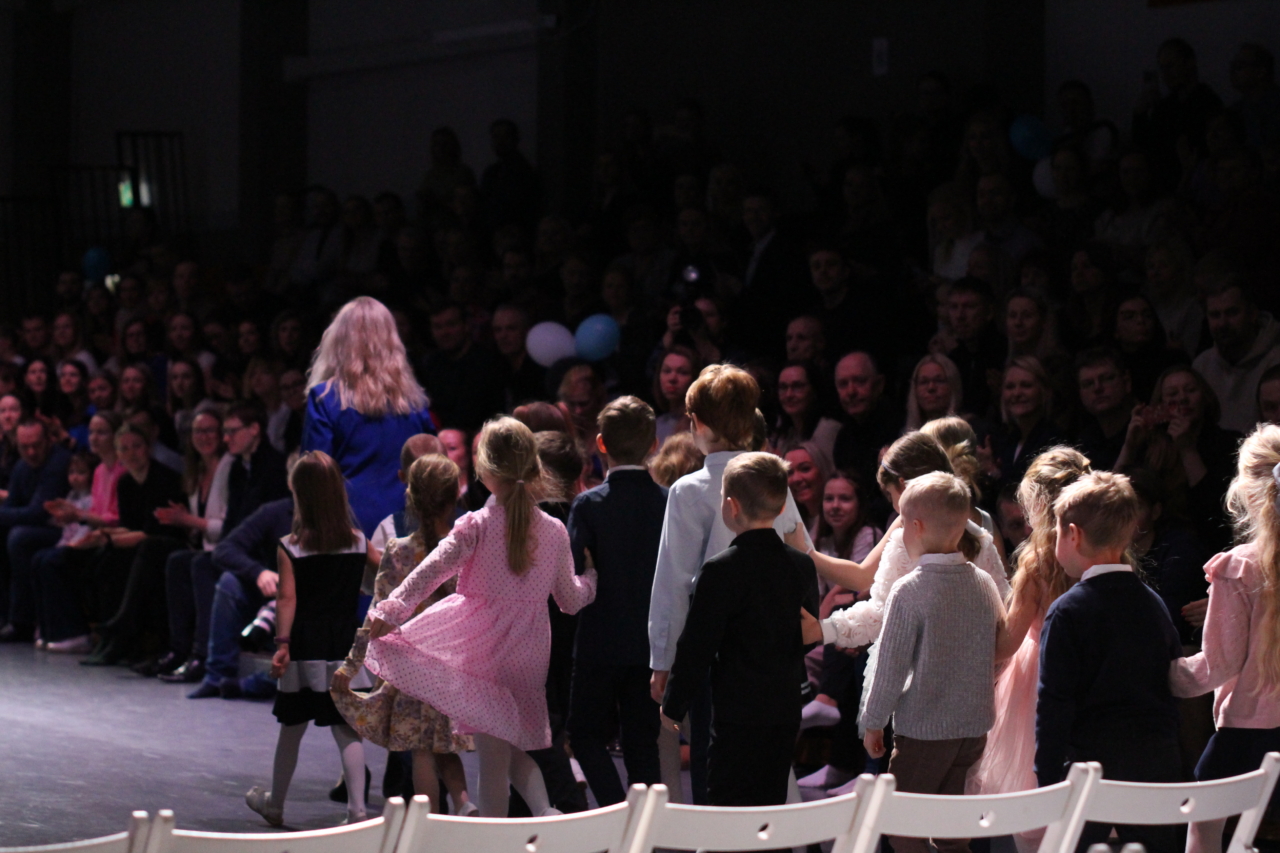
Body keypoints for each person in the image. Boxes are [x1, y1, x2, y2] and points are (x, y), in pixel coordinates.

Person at [364, 417, 598, 818]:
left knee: (494, 759)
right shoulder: (554, 530)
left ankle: (496, 836)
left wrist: (391, 609)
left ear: (485, 469)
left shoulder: (475, 525)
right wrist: (591, 579)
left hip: (487, 653)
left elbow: (429, 572)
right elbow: (570, 600)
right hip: (530, 654)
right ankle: (546, 813)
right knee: (513, 747)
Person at [647, 364, 811, 803]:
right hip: (775, 652)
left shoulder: (688, 490)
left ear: (698, 423)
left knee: (719, 768)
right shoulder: (772, 481)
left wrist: (663, 660)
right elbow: (802, 554)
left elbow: (674, 583)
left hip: (717, 658)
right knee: (771, 767)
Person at [1035, 471, 1182, 853]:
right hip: (1155, 765)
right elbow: (1169, 680)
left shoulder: (1067, 611)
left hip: (1089, 771)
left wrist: (1047, 781)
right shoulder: (1153, 603)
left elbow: (1054, 704)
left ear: (1073, 534)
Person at [862, 472, 1006, 853]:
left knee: (900, 824)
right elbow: (993, 648)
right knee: (953, 831)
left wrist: (873, 722)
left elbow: (890, 669)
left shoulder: (909, 591)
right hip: (973, 729)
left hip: (924, 731)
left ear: (917, 526)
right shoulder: (984, 584)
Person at [331, 453, 476, 817]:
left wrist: (350, 666)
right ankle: (464, 803)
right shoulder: (464, 548)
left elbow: (377, 613)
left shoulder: (399, 551)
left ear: (411, 496)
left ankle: (429, 822)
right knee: (447, 745)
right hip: (452, 663)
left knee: (421, 749)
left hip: (411, 666)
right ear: (453, 497)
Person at [966, 446, 1092, 853]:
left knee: (1032, 807)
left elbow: (1007, 643)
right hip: (1093, 672)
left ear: (1038, 504)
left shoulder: (1038, 562)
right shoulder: (1103, 550)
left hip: (1039, 679)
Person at [244, 451, 373, 827]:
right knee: (346, 728)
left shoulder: (291, 545)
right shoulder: (358, 542)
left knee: (291, 728)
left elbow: (287, 598)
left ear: (299, 493)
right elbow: (387, 571)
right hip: (344, 644)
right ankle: (357, 810)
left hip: (304, 645)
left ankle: (276, 804)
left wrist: (282, 643)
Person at [1171, 424, 1280, 853]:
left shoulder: (1240, 567)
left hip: (1248, 729)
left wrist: (1165, 673)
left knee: (1203, 825)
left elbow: (1218, 664)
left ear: (1246, 491)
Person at [567, 397, 667, 806]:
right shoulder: (667, 502)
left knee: (585, 734)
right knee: (642, 742)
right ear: (654, 445)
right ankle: (644, 826)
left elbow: (574, 567)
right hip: (651, 639)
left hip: (599, 638)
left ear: (601, 444)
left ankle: (615, 810)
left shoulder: (589, 504)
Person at [303, 297, 436, 537]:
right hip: (409, 521)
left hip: (349, 525)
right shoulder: (415, 404)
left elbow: (315, 475)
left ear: (339, 339)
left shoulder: (324, 398)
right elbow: (433, 465)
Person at [80, 423, 185, 665]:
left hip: (167, 543)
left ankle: (121, 624)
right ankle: (112, 638)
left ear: (147, 448)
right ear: (118, 453)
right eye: (124, 448)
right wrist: (105, 535)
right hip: (141, 543)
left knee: (131, 551)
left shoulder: (164, 479)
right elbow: (129, 526)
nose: (131, 453)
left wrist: (110, 538)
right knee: (106, 559)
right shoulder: (125, 482)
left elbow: (153, 531)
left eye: (136, 446)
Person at [1116, 366, 1241, 548]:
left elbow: (1216, 511)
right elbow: (1112, 499)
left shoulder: (1228, 443)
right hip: (1156, 546)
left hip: (1209, 543)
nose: (1182, 399)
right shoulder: (1152, 447)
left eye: (1190, 390)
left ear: (1205, 397)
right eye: (1172, 394)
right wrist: (1129, 446)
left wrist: (1187, 450)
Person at [153, 408, 233, 681]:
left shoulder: (229, 467)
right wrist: (182, 521)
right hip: (206, 548)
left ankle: (201, 654)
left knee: (198, 563)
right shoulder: (196, 472)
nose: (204, 437)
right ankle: (179, 649)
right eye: (198, 431)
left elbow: (227, 528)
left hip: (227, 550)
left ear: (221, 434)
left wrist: (188, 520)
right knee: (176, 560)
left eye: (210, 430)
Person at [0, 418, 72, 642]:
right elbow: (12, 505)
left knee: (19, 538)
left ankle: (22, 619)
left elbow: (39, 512)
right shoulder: (22, 467)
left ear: (49, 440)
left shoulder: (58, 463)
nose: (31, 452)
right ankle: (6, 616)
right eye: (25, 447)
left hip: (66, 530)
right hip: (40, 528)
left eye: (36, 445)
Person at [1192, 281, 1280, 434]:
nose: (1222, 323)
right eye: (1215, 315)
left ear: (1252, 314)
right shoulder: (1202, 366)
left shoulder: (1276, 361)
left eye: (1232, 313)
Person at [418, 302, 506, 433]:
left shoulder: (488, 363)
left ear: (466, 326)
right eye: (438, 327)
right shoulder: (429, 365)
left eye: (451, 325)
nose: (444, 332)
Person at [830, 352, 904, 507]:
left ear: (879, 384)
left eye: (860, 381)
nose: (851, 391)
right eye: (843, 384)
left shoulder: (901, 430)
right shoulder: (843, 437)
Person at [986, 356, 1062, 490]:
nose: (1016, 393)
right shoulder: (1009, 440)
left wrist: (992, 472)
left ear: (1043, 391)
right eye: (1010, 387)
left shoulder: (1054, 441)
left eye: (1026, 385)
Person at [1073, 347, 1136, 471]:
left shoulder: (1145, 432)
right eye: (1088, 384)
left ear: (1126, 382)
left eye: (1107, 378)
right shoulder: (1084, 444)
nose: (1097, 388)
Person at [769, 360, 841, 460]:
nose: (789, 395)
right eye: (783, 387)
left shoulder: (828, 430)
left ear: (814, 390)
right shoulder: (785, 434)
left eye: (797, 386)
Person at [652, 346, 700, 445]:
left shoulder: (702, 428)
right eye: (667, 371)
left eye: (682, 372)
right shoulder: (656, 426)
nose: (672, 378)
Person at [904, 353, 964, 430]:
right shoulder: (906, 433)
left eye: (939, 381)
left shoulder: (970, 429)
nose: (931, 387)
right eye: (924, 382)